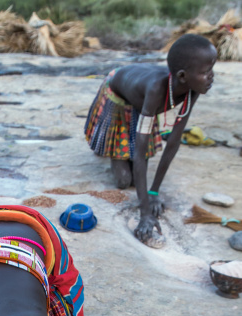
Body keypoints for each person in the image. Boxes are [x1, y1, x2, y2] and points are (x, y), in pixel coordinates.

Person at [84, 34, 217, 248]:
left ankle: (125, 158)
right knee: (124, 181)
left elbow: (173, 142)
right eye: (205, 72)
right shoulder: (156, 90)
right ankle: (115, 155)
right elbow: (139, 151)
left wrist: (153, 192)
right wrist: (144, 212)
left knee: (141, 180)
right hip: (119, 92)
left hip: (141, 100)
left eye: (211, 69)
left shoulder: (193, 90)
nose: (211, 77)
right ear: (183, 76)